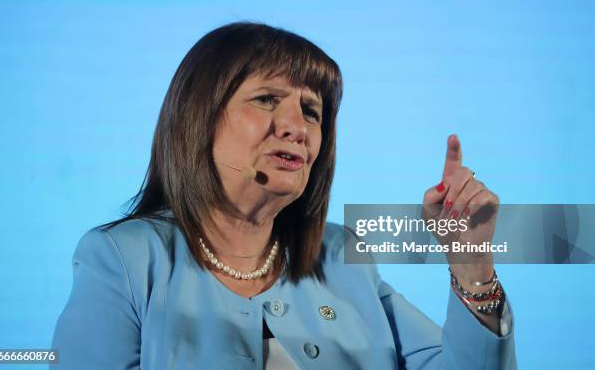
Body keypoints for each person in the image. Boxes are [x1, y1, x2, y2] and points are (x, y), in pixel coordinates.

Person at [51, 22, 516, 369]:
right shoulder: (125, 258)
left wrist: (471, 262)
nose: (297, 127)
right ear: (199, 118)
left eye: (311, 112)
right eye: (267, 100)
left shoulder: (341, 257)